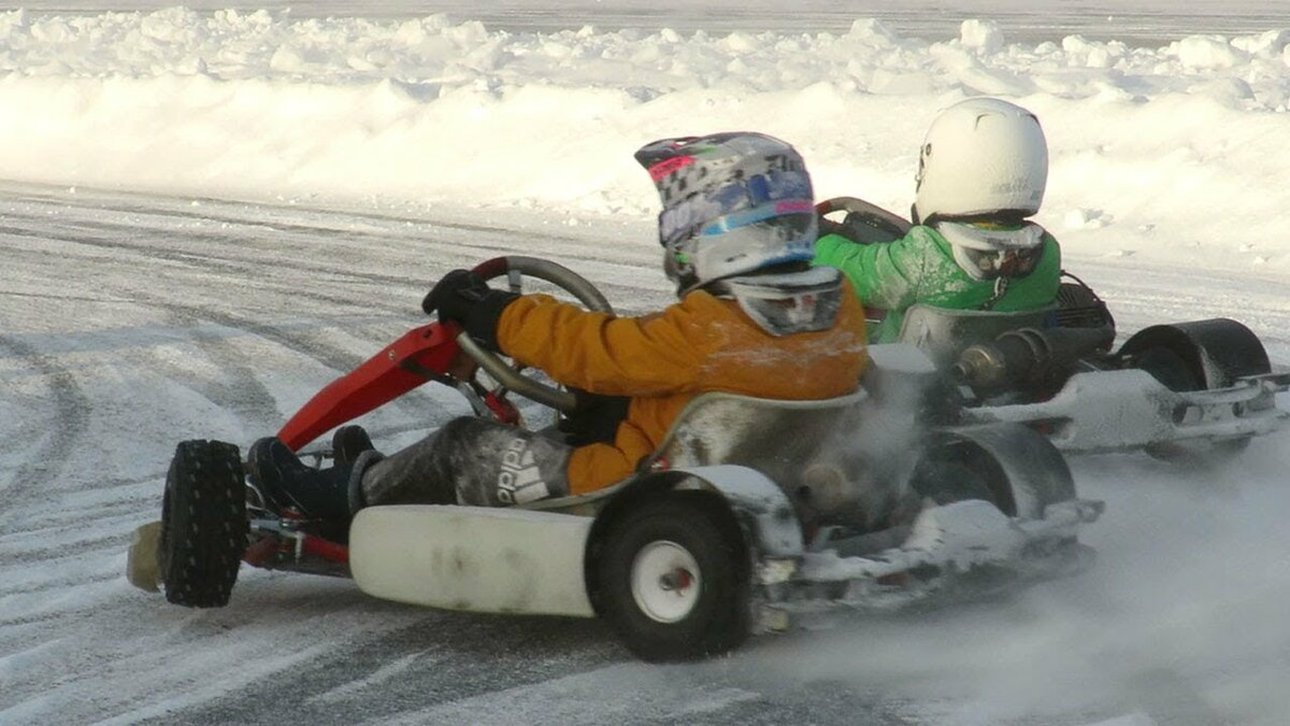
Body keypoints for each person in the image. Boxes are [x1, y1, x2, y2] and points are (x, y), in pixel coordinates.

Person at [247, 132, 869, 522]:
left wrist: (497, 315)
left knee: (463, 445)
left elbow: (597, 350)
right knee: (597, 401)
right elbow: (651, 362)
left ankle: (340, 497)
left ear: (713, 232)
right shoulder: (835, 310)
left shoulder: (714, 329)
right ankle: (384, 475)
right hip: (750, 464)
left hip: (633, 486)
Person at [813, 97, 1061, 343]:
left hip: (903, 374)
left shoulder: (927, 255)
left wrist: (819, 242)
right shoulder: (1047, 253)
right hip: (992, 369)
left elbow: (849, 271)